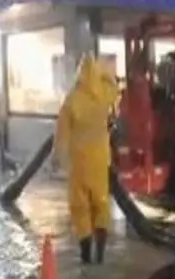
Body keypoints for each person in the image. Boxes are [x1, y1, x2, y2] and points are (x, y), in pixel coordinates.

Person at [54, 54, 119, 264]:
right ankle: (100, 255)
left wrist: (57, 157)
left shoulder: (72, 100)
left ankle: (85, 256)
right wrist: (104, 75)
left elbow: (61, 133)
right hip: (100, 161)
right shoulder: (104, 94)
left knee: (80, 207)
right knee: (101, 204)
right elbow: (115, 86)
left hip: (79, 163)